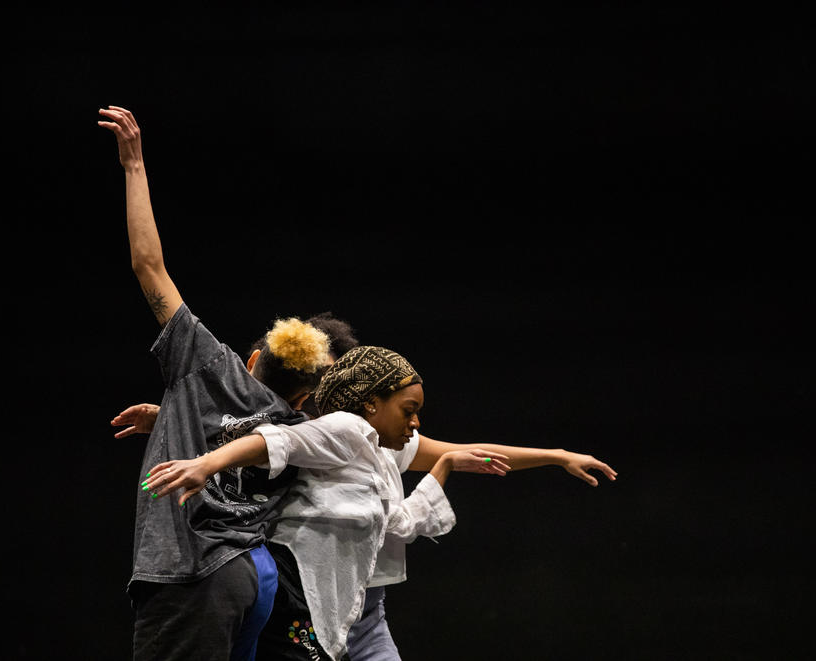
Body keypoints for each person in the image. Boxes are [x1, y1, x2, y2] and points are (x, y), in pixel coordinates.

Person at [98, 104, 356, 661]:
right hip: (251, 581)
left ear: (254, 357)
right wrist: (169, 419)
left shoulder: (206, 365)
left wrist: (134, 165)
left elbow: (149, 265)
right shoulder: (300, 426)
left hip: (192, 576)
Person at [141, 345, 510, 661]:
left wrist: (447, 466)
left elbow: (401, 523)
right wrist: (205, 461)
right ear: (371, 403)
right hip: (292, 591)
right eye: (408, 409)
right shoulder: (345, 429)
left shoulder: (375, 458)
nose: (415, 422)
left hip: (333, 609)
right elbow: (275, 441)